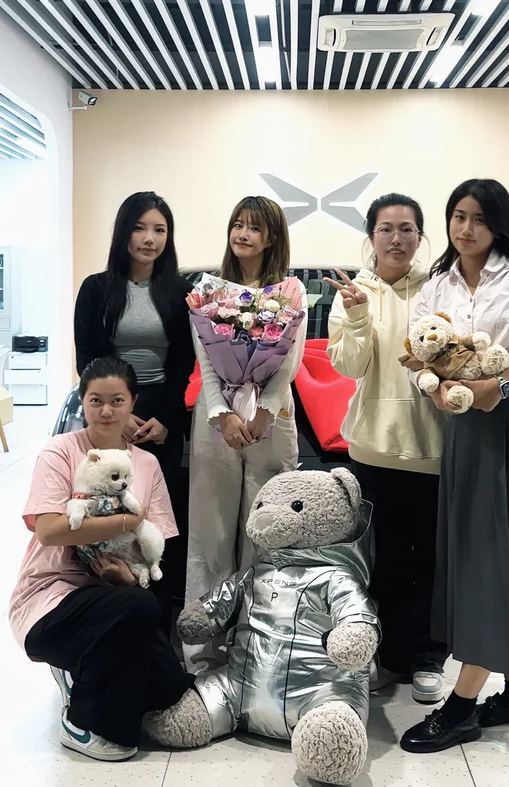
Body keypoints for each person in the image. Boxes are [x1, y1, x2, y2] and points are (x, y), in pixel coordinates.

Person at [400, 178, 509, 755]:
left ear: (499, 223)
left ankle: (462, 706)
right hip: (466, 426)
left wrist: (496, 386)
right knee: (490, 551)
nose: (465, 228)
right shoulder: (439, 282)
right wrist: (435, 388)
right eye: (458, 215)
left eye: (478, 217)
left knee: (492, 554)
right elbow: (417, 351)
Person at [8, 357, 194, 761]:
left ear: (133, 402)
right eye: (96, 400)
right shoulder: (61, 451)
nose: (106, 411)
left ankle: (84, 665)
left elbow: (158, 539)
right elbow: (50, 530)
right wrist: (126, 520)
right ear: (82, 401)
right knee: (136, 608)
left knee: (166, 686)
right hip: (53, 596)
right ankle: (84, 722)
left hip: (118, 597)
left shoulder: (146, 464)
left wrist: (127, 576)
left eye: (117, 400)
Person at [326, 193, 447, 705]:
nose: (397, 239)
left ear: (420, 235)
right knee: (385, 557)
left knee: (434, 558)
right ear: (371, 236)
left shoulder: (439, 287)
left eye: (407, 229)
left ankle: (428, 656)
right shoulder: (354, 292)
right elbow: (349, 367)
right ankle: (388, 653)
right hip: (374, 447)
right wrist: (357, 315)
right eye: (385, 229)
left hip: (435, 445)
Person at [185, 195, 306, 672]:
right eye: (237, 224)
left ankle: (262, 644)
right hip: (215, 421)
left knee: (268, 529)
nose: (243, 234)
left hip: (270, 420)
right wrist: (221, 413)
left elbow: (289, 360)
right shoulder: (208, 291)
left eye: (254, 227)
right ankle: (202, 646)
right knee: (211, 530)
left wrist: (264, 413)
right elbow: (206, 360)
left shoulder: (290, 291)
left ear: (272, 237)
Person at [74, 192, 194, 607]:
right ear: (124, 232)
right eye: (140, 228)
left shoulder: (179, 291)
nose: (149, 239)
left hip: (162, 409)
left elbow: (184, 363)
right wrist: (117, 415)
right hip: (112, 407)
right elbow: (87, 359)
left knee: (160, 511)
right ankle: (113, 599)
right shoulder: (96, 289)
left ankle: (161, 602)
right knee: (107, 509)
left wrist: (167, 419)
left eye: (159, 230)